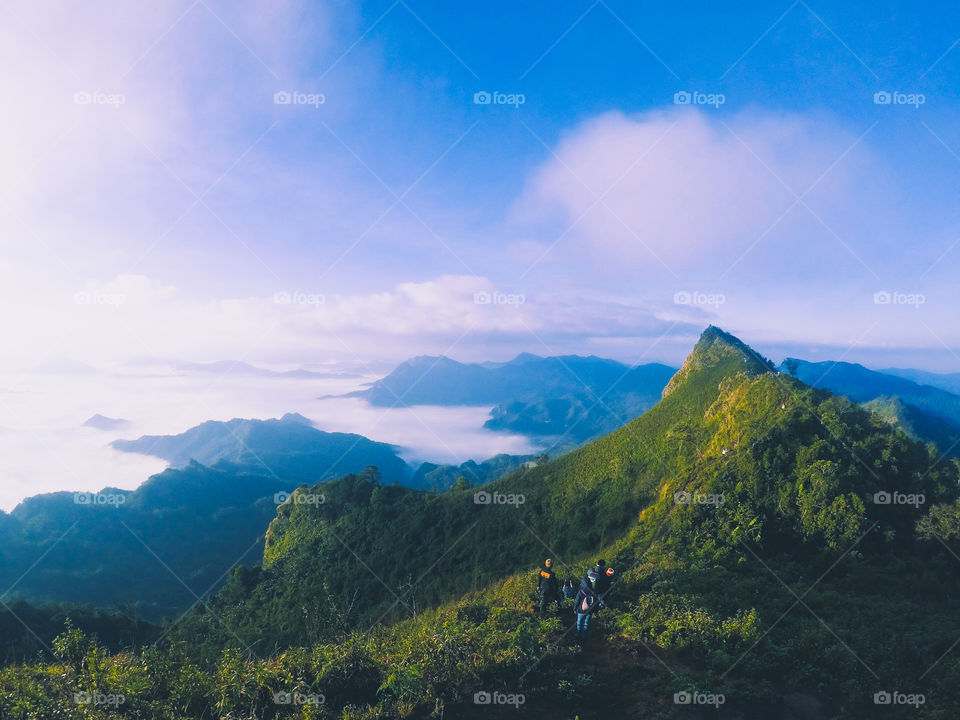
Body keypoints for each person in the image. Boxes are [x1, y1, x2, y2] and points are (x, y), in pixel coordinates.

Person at [573, 573, 600, 640]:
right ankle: (584, 635)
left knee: (579, 623)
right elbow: (596, 603)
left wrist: (575, 609)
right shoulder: (594, 592)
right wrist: (595, 611)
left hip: (580, 611)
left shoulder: (581, 592)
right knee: (586, 623)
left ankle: (578, 634)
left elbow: (577, 601)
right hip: (589, 611)